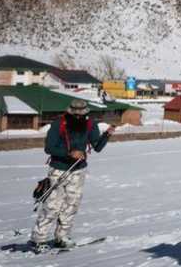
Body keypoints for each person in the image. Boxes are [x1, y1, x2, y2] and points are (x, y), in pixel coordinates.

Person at [29, 99, 115, 253]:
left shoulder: (90, 124)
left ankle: (62, 237)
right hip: (58, 169)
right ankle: (38, 240)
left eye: (81, 114)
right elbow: (49, 148)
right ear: (69, 112)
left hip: (78, 170)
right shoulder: (58, 124)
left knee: (71, 205)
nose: (78, 117)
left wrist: (107, 135)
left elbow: (97, 147)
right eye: (75, 114)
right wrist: (69, 153)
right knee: (52, 206)